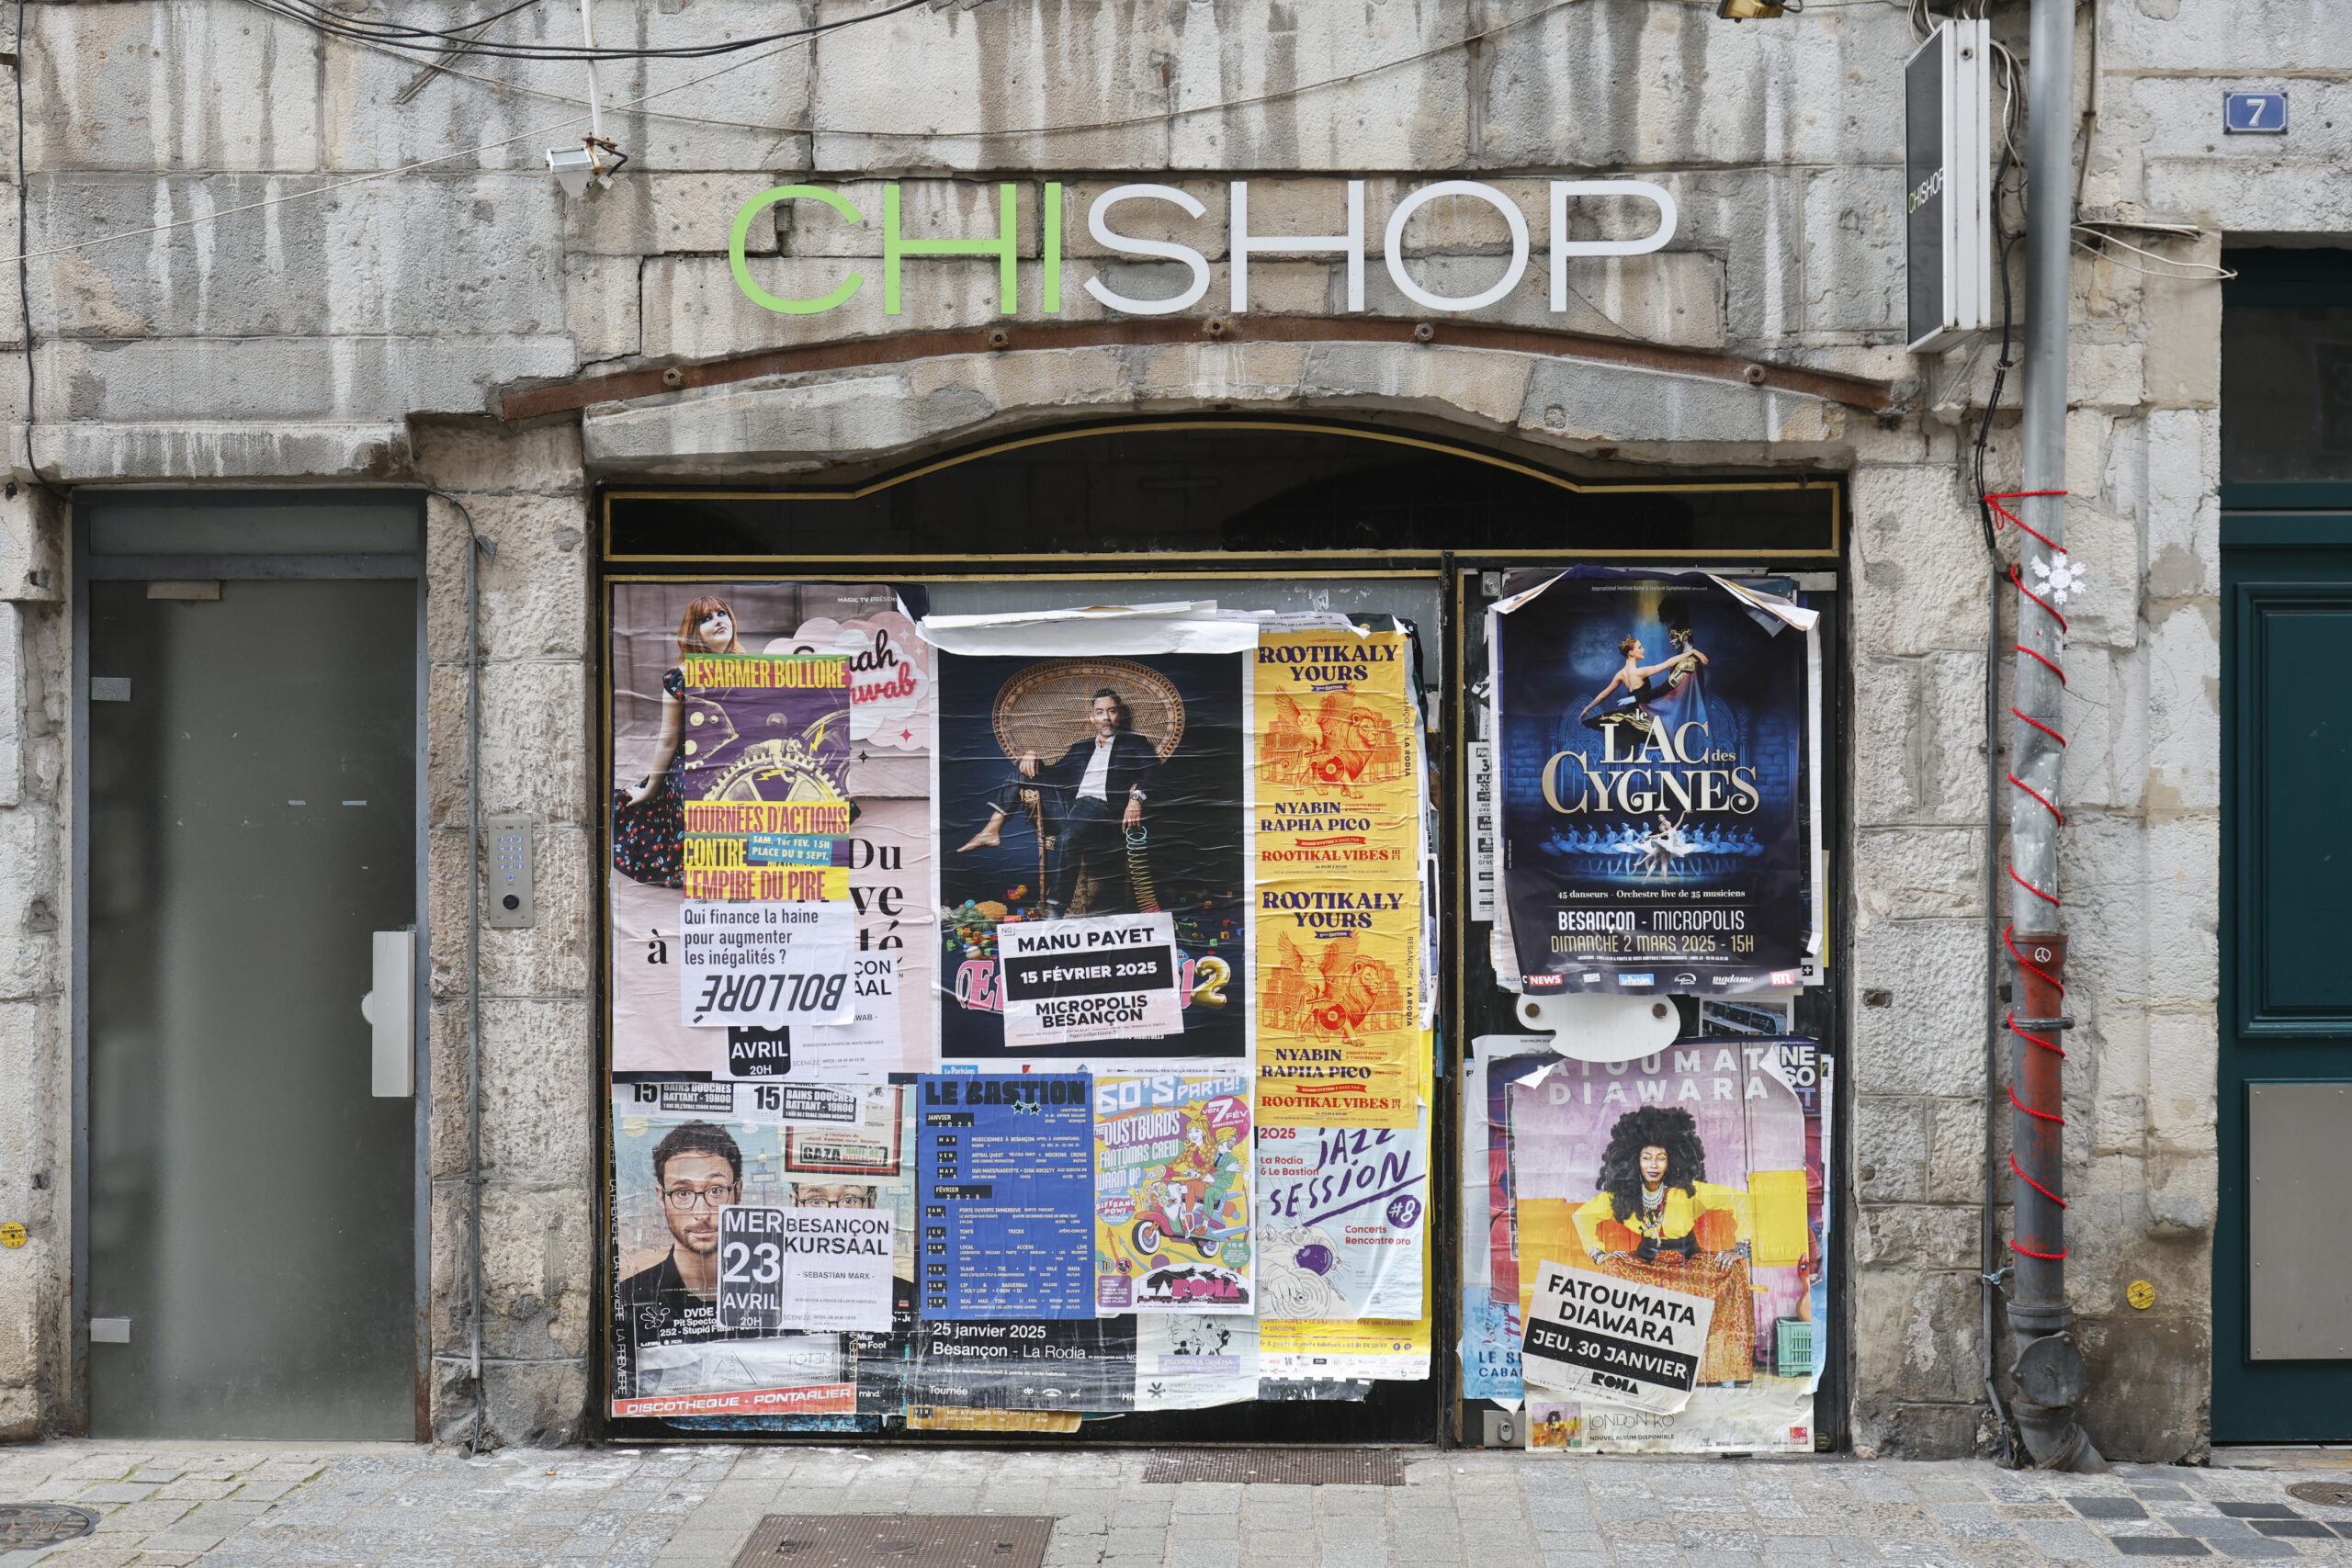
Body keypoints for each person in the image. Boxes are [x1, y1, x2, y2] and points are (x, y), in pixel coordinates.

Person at [1570, 1106, 1757, 1385]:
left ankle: (1721, 1370)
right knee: (1611, 1270)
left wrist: (1740, 1248)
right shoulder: (1621, 1196)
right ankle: (1632, 1368)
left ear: (1673, 1161)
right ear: (1633, 1161)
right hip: (1646, 1266)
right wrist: (1599, 1253)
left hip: (1687, 1264)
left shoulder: (1689, 1191)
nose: (1654, 1165)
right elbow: (1581, 1215)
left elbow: (1742, 1200)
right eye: (1646, 1158)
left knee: (1733, 1271)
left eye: (1661, 1158)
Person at [956, 687, 1159, 917]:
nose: (1106, 718)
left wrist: (1136, 798)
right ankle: (992, 829)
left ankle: (1055, 912)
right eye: (1100, 712)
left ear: (1119, 714)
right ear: (1091, 717)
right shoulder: (1081, 747)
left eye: (1111, 711)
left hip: (1101, 811)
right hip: (1069, 808)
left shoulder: (1135, 743)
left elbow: (1152, 773)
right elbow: (1053, 775)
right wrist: (1031, 755)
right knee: (1025, 769)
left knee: (1068, 837)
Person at [612, 598, 746, 888]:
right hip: (693, 765)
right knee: (693, 791)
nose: (718, 620)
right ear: (693, 632)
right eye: (706, 618)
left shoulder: (752, 670)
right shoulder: (681, 676)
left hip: (742, 758)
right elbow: (668, 739)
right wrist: (650, 788)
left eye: (722, 614)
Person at [617, 1122, 743, 1349]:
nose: (701, 1213)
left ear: (738, 1192)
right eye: (682, 1193)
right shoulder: (629, 1296)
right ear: (661, 1198)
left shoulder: (773, 1292)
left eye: (716, 1191)